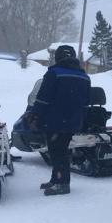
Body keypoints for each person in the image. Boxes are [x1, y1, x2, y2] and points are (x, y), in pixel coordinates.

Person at [31, 45, 91, 195]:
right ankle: (55, 180)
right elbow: (86, 101)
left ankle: (62, 183)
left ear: (58, 57)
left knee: (57, 152)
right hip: (73, 121)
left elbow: (43, 98)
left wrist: (35, 115)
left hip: (55, 120)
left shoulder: (54, 73)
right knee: (60, 150)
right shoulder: (84, 76)